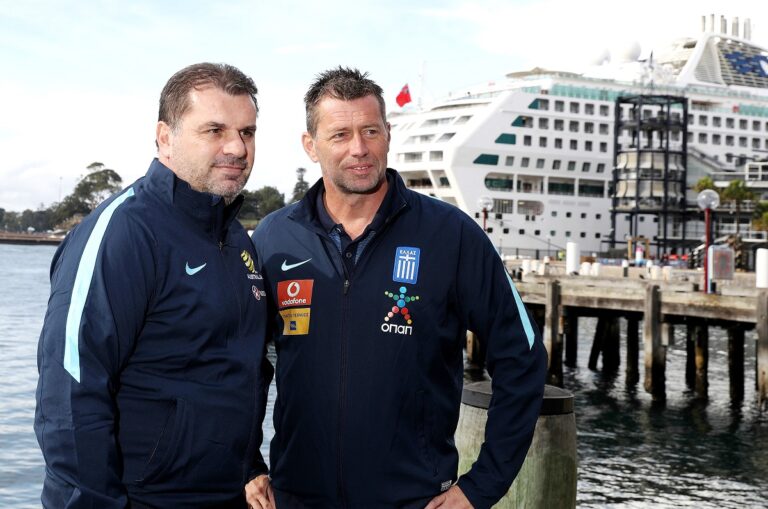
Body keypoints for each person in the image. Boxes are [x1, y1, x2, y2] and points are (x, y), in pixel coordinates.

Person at [247, 67, 547, 509]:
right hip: (295, 497)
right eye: (340, 134)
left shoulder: (451, 235)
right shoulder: (274, 238)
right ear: (310, 145)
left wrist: (481, 486)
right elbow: (242, 364)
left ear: (388, 133)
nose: (359, 148)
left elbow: (522, 356)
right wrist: (248, 463)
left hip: (413, 498)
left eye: (370, 131)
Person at [34, 62, 273, 508]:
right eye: (215, 130)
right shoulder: (124, 232)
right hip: (142, 498)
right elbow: (69, 393)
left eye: (247, 132)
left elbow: (237, 370)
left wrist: (251, 467)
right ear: (165, 137)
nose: (237, 148)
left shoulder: (237, 240)